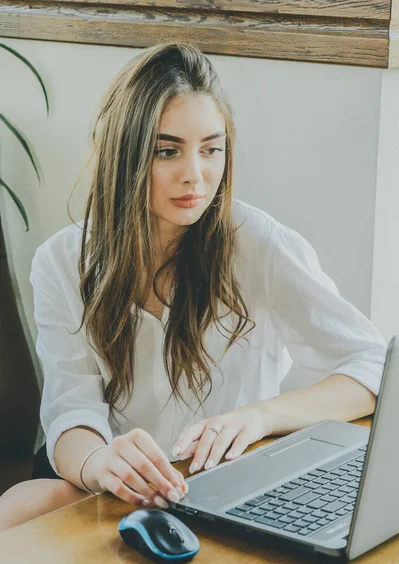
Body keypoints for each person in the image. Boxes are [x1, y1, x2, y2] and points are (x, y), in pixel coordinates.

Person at [0, 42, 387, 531]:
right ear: (126, 155)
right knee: (22, 505)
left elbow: (373, 365)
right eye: (167, 151)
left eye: (211, 149)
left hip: (217, 483)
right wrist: (102, 463)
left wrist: (260, 416)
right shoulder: (61, 260)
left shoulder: (257, 244)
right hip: (111, 479)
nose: (195, 176)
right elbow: (70, 410)